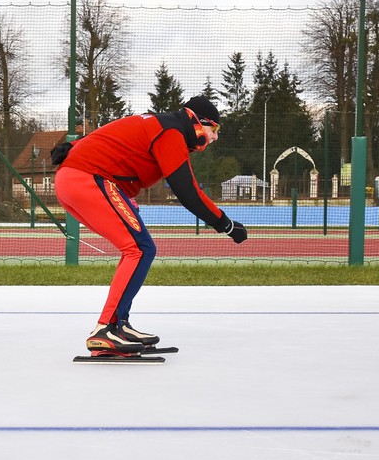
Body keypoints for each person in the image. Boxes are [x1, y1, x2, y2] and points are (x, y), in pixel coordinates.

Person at [53, 95, 248, 356]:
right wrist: (225, 224)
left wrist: (73, 145)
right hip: (88, 178)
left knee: (137, 248)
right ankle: (106, 330)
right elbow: (187, 191)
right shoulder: (171, 133)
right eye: (215, 129)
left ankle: (117, 325)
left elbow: (114, 135)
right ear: (198, 122)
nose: (215, 137)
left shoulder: (161, 124)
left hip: (76, 179)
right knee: (140, 249)